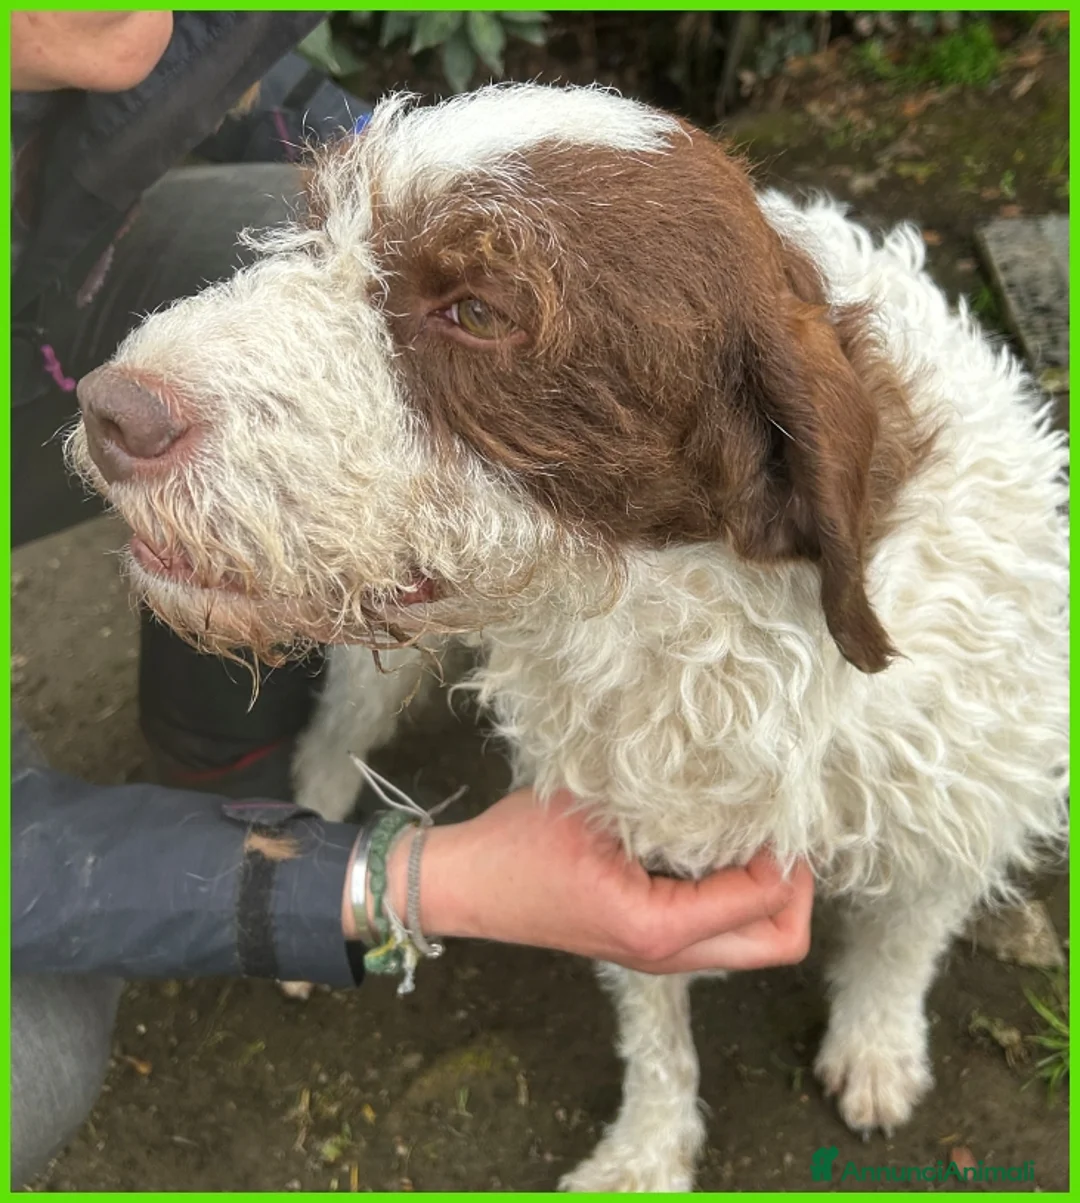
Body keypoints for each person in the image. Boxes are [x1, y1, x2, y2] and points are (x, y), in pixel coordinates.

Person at [9, 12, 814, 1188]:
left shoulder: (105, 28)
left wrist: (505, 195)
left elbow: (248, 82)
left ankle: (218, 761)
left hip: (34, 276)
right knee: (30, 1071)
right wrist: (394, 882)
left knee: (263, 216)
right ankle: (255, 836)